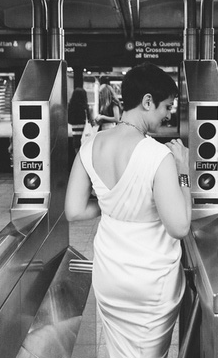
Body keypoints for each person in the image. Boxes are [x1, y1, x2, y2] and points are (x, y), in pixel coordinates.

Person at [64, 62, 191, 358]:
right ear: (147, 101)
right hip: (151, 280)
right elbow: (179, 226)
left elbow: (73, 210)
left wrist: (111, 205)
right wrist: (183, 172)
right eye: (167, 106)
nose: (169, 114)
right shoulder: (159, 156)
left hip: (110, 274)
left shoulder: (90, 146)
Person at [67, 87, 91, 157]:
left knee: (77, 156)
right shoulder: (85, 108)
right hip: (85, 136)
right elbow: (90, 120)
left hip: (75, 136)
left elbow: (69, 121)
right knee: (85, 156)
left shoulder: (71, 108)